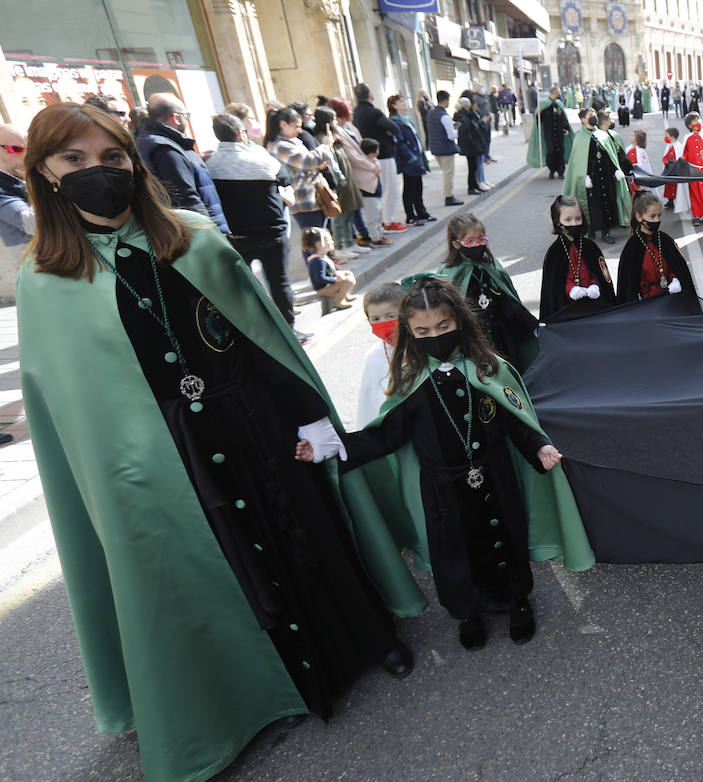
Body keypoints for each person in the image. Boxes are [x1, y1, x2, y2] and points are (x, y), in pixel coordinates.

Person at [18, 102, 417, 782]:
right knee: (224, 565)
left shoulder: (195, 238)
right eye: (74, 160)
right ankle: (252, 694)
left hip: (253, 420)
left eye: (111, 158)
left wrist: (310, 417)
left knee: (306, 529)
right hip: (163, 457)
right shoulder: (46, 281)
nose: (97, 172)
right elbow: (76, 414)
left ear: (133, 163)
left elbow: (266, 342)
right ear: (46, 175)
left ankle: (363, 642)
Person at [312, 277, 591, 651]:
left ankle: (516, 602)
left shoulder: (488, 368)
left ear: (459, 320)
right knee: (455, 553)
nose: (435, 336)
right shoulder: (410, 381)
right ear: (409, 332)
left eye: (443, 327)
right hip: (442, 489)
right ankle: (467, 612)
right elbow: (385, 434)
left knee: (504, 540)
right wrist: (334, 447)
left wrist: (538, 446)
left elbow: (513, 417)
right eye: (423, 330)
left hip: (495, 476)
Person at [205, 112, 310, 342]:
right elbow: (285, 179)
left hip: (236, 236)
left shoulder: (210, 165)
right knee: (280, 283)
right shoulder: (262, 158)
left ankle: (257, 334)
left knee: (244, 286)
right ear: (241, 133)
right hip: (271, 232)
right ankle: (289, 332)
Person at [440, 213, 539, 371]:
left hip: (501, 331)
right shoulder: (450, 274)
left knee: (511, 367)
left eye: (481, 239)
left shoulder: (490, 265)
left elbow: (507, 298)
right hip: (474, 337)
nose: (478, 245)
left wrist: (529, 322)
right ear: (456, 244)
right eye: (470, 241)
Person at [134, 92, 229, 233]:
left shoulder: (153, 141)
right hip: (201, 233)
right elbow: (187, 199)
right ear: (176, 117)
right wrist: (211, 236)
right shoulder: (166, 149)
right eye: (186, 116)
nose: (187, 120)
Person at [266, 106, 336, 260]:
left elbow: (304, 166)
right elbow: (308, 161)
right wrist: (325, 146)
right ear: (283, 125)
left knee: (321, 238)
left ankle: (326, 271)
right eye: (296, 126)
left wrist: (317, 166)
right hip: (302, 200)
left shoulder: (291, 141)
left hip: (312, 196)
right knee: (314, 241)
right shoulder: (280, 146)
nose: (300, 130)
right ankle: (320, 276)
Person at [564, 108, 632, 245]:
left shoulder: (603, 135)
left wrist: (615, 170)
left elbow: (610, 155)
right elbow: (577, 162)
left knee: (607, 202)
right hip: (591, 178)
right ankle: (591, 228)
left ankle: (606, 231)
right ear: (583, 119)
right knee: (592, 205)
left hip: (606, 175)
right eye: (590, 115)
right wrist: (584, 176)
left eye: (594, 114)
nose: (594, 117)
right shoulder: (580, 138)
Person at [540, 195, 614, 320]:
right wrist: (570, 289)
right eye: (568, 220)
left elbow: (602, 276)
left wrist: (595, 285)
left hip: (595, 308)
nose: (574, 223)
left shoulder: (591, 247)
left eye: (578, 218)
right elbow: (552, 288)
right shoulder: (554, 253)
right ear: (558, 221)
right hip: (568, 311)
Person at [328, 97, 388, 248]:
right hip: (359, 173)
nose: (352, 112)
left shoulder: (349, 126)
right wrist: (371, 166)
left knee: (375, 205)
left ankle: (372, 233)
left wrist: (373, 163)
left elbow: (362, 146)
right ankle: (366, 235)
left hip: (368, 170)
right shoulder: (337, 132)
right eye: (348, 109)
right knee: (368, 207)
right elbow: (353, 156)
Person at [618, 190, 696, 303]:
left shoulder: (665, 240)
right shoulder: (632, 247)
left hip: (671, 298)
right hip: (647, 303)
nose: (657, 220)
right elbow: (629, 284)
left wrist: (675, 278)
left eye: (659, 215)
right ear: (639, 217)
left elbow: (678, 266)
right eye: (652, 216)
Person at [351, 83, 408, 233]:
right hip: (383, 154)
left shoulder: (356, 112)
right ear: (370, 95)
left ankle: (380, 221)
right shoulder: (373, 112)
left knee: (376, 192)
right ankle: (388, 220)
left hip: (367, 156)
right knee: (390, 189)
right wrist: (386, 132)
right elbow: (394, 128)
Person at [312, 107, 366, 261]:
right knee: (341, 215)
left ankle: (350, 242)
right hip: (338, 180)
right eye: (333, 119)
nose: (336, 122)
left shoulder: (334, 134)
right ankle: (340, 246)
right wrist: (339, 179)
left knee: (350, 211)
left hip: (346, 178)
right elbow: (331, 162)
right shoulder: (323, 138)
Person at [358, 281, 404, 424]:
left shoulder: (422, 344)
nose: (383, 323)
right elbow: (367, 406)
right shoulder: (373, 358)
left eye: (391, 316)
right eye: (376, 319)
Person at [386, 95, 432, 226]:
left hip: (416, 156)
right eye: (401, 101)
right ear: (394, 106)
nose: (404, 103)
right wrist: (411, 157)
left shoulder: (406, 120)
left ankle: (421, 212)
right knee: (409, 187)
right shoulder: (395, 122)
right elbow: (400, 143)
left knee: (418, 186)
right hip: (408, 160)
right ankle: (410, 215)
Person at [0, 124, 34, 272]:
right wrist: (37, 184)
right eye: (17, 149)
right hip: (36, 272)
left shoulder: (19, 177)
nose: (26, 155)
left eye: (27, 148)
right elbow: (32, 224)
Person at [305, 227, 356, 314]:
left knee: (348, 274)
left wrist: (338, 274)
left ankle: (345, 295)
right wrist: (335, 280)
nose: (332, 241)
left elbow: (329, 272)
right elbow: (321, 279)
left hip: (327, 285)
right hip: (323, 289)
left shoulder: (322, 257)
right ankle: (337, 302)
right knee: (349, 281)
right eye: (329, 239)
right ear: (319, 245)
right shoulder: (318, 261)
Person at [526, 86, 573, 179]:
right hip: (549, 133)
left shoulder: (558, 104)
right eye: (557, 93)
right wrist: (538, 114)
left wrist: (566, 128)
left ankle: (560, 172)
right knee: (551, 152)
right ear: (553, 93)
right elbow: (539, 121)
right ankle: (552, 170)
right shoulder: (543, 105)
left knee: (560, 151)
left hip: (559, 133)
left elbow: (563, 118)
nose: (558, 95)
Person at [427, 91, 464, 207]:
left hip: (435, 147)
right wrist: (457, 130)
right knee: (448, 173)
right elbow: (451, 135)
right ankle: (449, 196)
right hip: (445, 148)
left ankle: (449, 195)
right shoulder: (444, 116)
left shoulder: (431, 114)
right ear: (446, 101)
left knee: (445, 172)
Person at [681, 112, 703, 227]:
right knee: (695, 193)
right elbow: (685, 153)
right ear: (690, 126)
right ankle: (697, 215)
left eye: (698, 119)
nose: (697, 123)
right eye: (694, 121)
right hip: (693, 170)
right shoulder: (687, 138)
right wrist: (682, 159)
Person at [357, 138, 389, 246]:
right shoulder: (362, 162)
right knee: (372, 215)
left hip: (376, 191)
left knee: (378, 213)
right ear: (374, 151)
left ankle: (379, 234)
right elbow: (364, 177)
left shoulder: (374, 160)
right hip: (368, 192)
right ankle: (375, 237)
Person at [456, 97, 489, 196]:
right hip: (469, 146)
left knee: (473, 167)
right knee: (472, 167)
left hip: (470, 145)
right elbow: (466, 132)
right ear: (466, 105)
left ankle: (475, 186)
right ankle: (471, 187)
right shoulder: (463, 116)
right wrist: (473, 143)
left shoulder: (466, 115)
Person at [661, 127, 683, 209]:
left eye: (667, 135)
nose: (666, 137)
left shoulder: (678, 146)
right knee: (669, 185)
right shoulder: (668, 146)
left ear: (672, 137)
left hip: (675, 169)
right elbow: (665, 156)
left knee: (675, 186)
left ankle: (676, 201)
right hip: (669, 169)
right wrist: (665, 161)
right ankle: (670, 201)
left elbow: (679, 157)